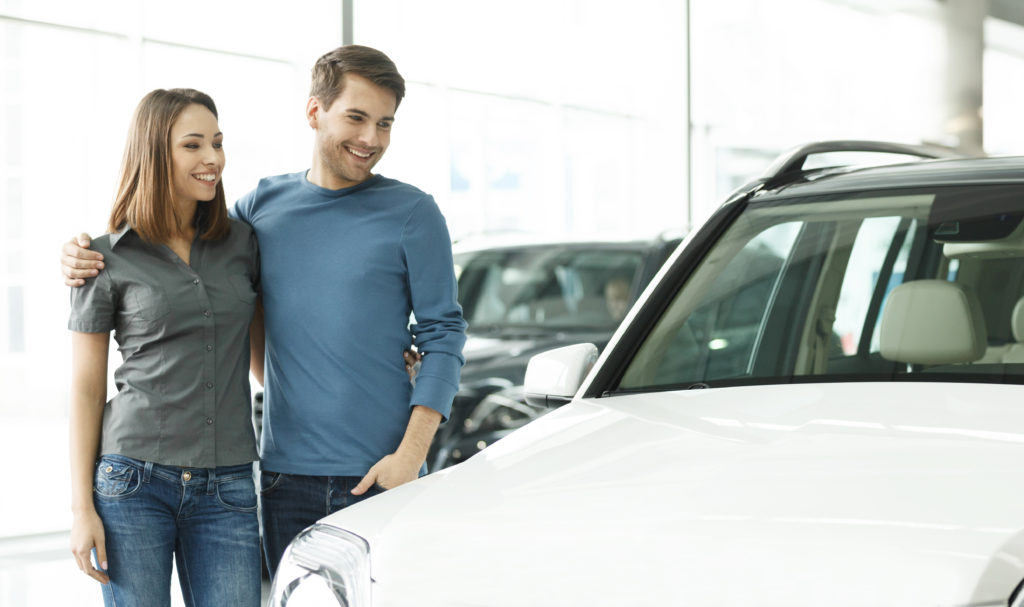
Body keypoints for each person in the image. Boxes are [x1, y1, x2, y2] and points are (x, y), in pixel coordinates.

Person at [61, 45, 468, 575]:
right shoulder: (259, 210)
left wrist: (411, 456)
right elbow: (190, 267)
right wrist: (85, 252)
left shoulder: (414, 212)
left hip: (382, 474)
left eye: (385, 124)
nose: (371, 139)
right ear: (314, 112)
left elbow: (445, 335)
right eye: (357, 117)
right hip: (281, 478)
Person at [68, 88, 262, 606]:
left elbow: (276, 345)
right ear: (155, 152)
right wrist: (81, 508)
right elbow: (86, 390)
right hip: (133, 482)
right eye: (193, 145)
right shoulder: (102, 258)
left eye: (217, 144)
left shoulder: (243, 243)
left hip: (229, 485)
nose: (212, 159)